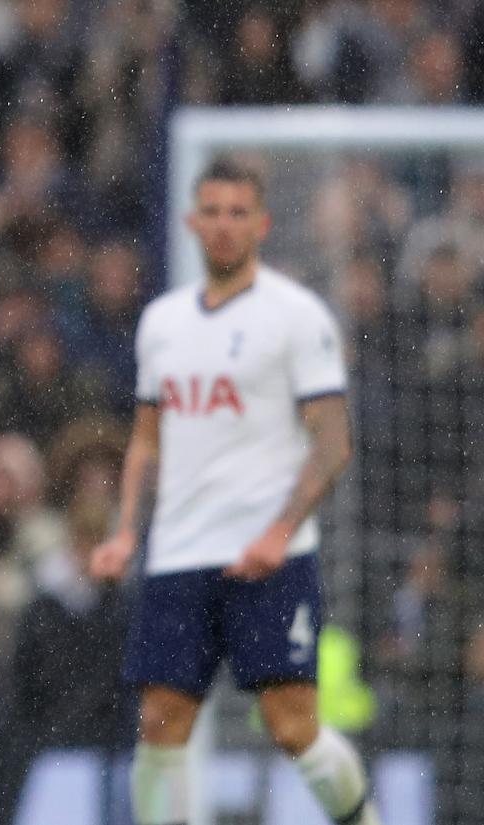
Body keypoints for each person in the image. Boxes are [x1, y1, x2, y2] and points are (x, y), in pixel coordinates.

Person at [90, 158, 379, 825]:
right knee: (160, 722)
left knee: (291, 726)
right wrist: (126, 530)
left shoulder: (296, 316)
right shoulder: (161, 321)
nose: (223, 226)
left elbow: (333, 442)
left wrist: (278, 532)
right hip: (179, 554)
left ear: (262, 223)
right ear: (192, 221)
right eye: (212, 212)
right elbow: (146, 438)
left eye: (237, 213)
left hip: (269, 556)